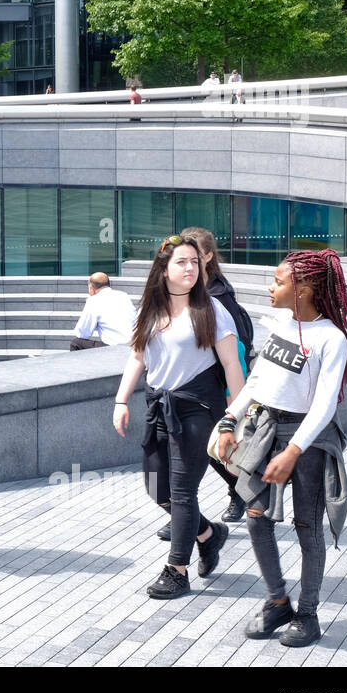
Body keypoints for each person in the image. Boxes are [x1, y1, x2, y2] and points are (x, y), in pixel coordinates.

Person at [217, 250, 347, 647]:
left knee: (307, 527)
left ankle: (307, 614)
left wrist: (293, 451)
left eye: (278, 282)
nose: (270, 287)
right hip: (266, 430)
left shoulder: (332, 338)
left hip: (308, 440)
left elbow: (325, 405)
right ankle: (277, 601)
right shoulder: (280, 324)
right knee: (256, 517)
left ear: (304, 290)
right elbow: (258, 379)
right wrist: (230, 420)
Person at [113, 234, 244, 599]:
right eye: (181, 262)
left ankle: (176, 570)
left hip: (198, 409)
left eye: (194, 262)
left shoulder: (212, 309)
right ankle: (209, 534)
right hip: (159, 407)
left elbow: (232, 365)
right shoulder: (150, 310)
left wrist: (234, 417)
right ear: (164, 270)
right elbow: (137, 357)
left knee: (184, 492)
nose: (190, 268)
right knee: (158, 489)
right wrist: (121, 401)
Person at [180, 226, 253, 525]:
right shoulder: (187, 292)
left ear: (208, 256)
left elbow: (238, 352)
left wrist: (234, 400)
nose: (186, 261)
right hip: (191, 385)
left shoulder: (220, 298)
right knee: (197, 449)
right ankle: (180, 508)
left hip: (217, 387)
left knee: (212, 446)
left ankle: (240, 491)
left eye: (193, 255)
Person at [70, 272, 134, 350]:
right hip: (133, 345)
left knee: (76, 343)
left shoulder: (93, 300)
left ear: (91, 287)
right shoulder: (124, 295)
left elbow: (82, 333)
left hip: (114, 347)